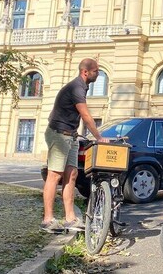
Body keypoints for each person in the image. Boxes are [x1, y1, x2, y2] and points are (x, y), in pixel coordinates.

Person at [42, 58, 108, 233]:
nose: (98, 74)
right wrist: (99, 137)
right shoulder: (76, 87)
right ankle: (47, 220)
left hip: (70, 136)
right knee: (54, 176)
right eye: (96, 71)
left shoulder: (82, 87)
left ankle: (70, 218)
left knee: (71, 175)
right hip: (58, 134)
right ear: (85, 72)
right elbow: (85, 115)